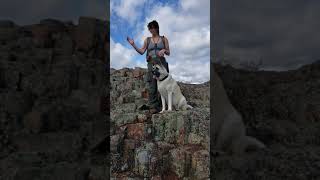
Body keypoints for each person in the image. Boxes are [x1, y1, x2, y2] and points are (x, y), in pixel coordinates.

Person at [127, 20, 170, 114]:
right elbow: (142, 51)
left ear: (157, 28)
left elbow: (168, 52)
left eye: (153, 28)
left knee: (165, 85)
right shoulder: (147, 40)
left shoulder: (164, 39)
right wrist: (133, 44)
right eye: (150, 28)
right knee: (152, 85)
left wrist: (164, 50)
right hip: (151, 64)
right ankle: (153, 106)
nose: (152, 30)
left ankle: (168, 105)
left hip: (162, 64)